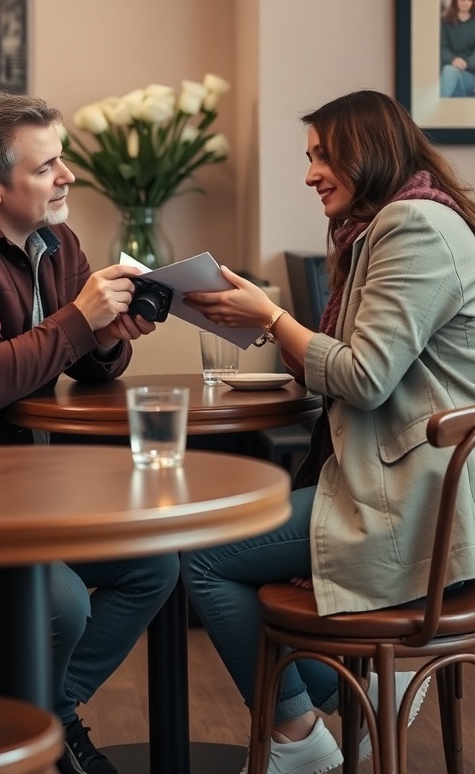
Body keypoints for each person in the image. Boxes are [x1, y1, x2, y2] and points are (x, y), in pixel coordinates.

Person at [181, 89, 475, 774]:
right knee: (220, 551)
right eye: (309, 157)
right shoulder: (393, 224)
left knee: (199, 554)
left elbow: (365, 377)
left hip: (414, 502)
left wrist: (272, 318)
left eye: (323, 156)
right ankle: (361, 693)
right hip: (408, 483)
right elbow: (355, 367)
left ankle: (300, 737)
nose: (311, 173)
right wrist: (262, 318)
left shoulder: (413, 228)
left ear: (367, 153)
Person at [0, 91, 180, 774]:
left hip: (15, 491)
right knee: (58, 603)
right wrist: (80, 319)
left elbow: (82, 360)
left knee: (156, 567)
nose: (68, 177)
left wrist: (110, 336)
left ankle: (42, 717)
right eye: (48, 165)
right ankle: (34, 733)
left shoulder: (55, 240)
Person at [439, 0, 475, 97]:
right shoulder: (445, 21)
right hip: (451, 67)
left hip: (471, 73)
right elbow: (442, 46)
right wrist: (453, 59)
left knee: (450, 74)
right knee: (450, 73)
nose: (466, 3)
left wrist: (466, 63)